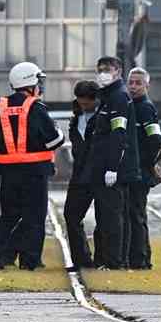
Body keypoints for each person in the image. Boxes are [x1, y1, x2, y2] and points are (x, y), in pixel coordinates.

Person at [0, 62, 65, 271]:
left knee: (9, 216)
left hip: (7, 174)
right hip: (35, 173)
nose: (41, 86)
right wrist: (59, 131)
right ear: (30, 82)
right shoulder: (35, 107)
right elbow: (53, 141)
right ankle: (30, 260)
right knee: (34, 217)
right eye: (39, 81)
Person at [89, 56, 141, 270]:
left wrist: (112, 168)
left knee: (113, 217)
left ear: (118, 71)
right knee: (106, 215)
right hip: (104, 167)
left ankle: (114, 261)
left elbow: (118, 135)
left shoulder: (118, 97)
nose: (103, 72)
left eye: (107, 69)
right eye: (100, 69)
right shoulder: (108, 96)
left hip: (114, 169)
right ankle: (105, 259)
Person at [125, 67, 161, 269]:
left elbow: (156, 140)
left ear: (147, 85)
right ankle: (139, 258)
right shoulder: (132, 105)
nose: (133, 86)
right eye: (131, 82)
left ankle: (140, 261)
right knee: (134, 214)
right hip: (135, 170)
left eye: (138, 83)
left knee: (136, 216)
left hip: (139, 172)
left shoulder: (145, 108)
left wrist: (148, 165)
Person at [63, 80, 99, 269]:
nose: (83, 106)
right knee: (71, 214)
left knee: (105, 217)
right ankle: (81, 259)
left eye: (87, 103)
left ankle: (104, 259)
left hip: (98, 172)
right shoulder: (77, 117)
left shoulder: (102, 115)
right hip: (80, 173)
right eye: (81, 102)